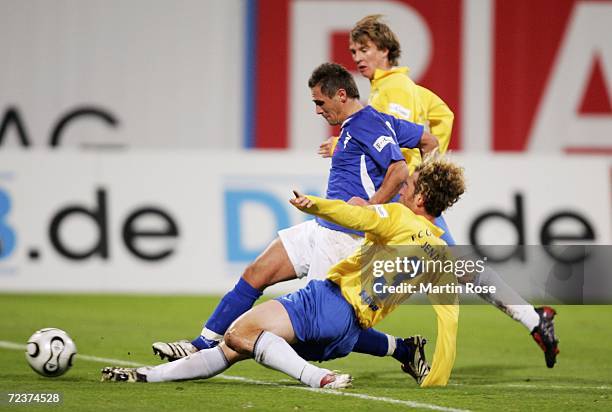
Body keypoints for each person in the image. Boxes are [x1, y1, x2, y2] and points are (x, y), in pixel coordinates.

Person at [151, 63, 440, 374]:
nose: (317, 110)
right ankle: (200, 344)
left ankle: (401, 348)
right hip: (322, 228)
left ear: (341, 95)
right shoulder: (374, 122)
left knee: (318, 327)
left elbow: (398, 170)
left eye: (320, 102)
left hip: (345, 238)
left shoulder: (366, 123)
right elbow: (429, 142)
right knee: (257, 271)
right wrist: (421, 186)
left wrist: (374, 209)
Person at [101, 156, 466, 388]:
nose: (402, 190)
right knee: (235, 345)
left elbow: (358, 217)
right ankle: (146, 376)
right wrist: (437, 377)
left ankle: (317, 379)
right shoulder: (442, 255)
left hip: (329, 301)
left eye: (409, 187)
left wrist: (317, 205)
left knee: (239, 331)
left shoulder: (400, 216)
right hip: (347, 335)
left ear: (420, 200)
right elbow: (449, 322)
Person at [324, 14, 558, 367]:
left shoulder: (394, 91)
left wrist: (416, 177)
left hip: (405, 199)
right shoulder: (406, 88)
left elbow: (395, 145)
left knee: (445, 265)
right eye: (354, 50)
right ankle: (531, 319)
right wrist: (428, 169)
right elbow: (443, 116)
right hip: (408, 196)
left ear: (386, 50)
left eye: (365, 48)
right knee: (454, 265)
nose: (357, 57)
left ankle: (323, 332)